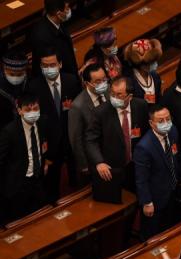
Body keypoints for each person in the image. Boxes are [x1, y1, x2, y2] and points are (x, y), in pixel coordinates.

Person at [26, 47, 81, 203]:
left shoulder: (71, 81)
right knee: (52, 184)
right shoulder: (33, 87)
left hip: (70, 137)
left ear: (60, 64)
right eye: (45, 65)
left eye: (52, 64)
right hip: (50, 143)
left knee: (75, 179)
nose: (49, 68)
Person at [85, 76, 149, 197]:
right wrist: (99, 162)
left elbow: (146, 133)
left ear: (129, 97)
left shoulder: (141, 106)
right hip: (112, 169)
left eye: (119, 95)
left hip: (137, 166)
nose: (114, 98)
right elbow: (90, 140)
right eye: (112, 93)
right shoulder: (100, 112)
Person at [134, 105, 181, 240]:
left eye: (168, 119)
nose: (166, 123)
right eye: (161, 121)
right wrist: (147, 202)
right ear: (152, 123)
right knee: (152, 236)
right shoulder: (144, 147)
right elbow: (141, 179)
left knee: (168, 230)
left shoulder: (173, 131)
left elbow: (176, 155)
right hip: (155, 199)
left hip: (172, 191)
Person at [0, 94, 49, 224]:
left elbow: (44, 144)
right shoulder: (9, 131)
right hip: (18, 184)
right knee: (19, 222)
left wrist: (45, 162)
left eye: (36, 108)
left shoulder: (43, 122)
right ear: (19, 110)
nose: (33, 113)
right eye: (28, 110)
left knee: (40, 218)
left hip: (38, 179)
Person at [68, 63, 109, 187]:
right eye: (97, 81)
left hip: (110, 152)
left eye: (104, 79)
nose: (103, 83)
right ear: (87, 83)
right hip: (92, 160)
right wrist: (84, 165)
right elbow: (76, 139)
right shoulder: (78, 106)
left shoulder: (109, 92)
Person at [28, 0, 78, 77]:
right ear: (58, 14)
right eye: (67, 8)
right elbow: (51, 66)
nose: (69, 10)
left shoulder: (56, 22)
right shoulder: (41, 36)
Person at [123, 39, 163, 106]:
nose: (155, 64)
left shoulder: (155, 76)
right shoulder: (129, 81)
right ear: (141, 65)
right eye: (152, 62)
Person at [0, 51, 28, 129]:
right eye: (11, 74)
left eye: (19, 74)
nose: (15, 78)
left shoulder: (29, 84)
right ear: (4, 70)